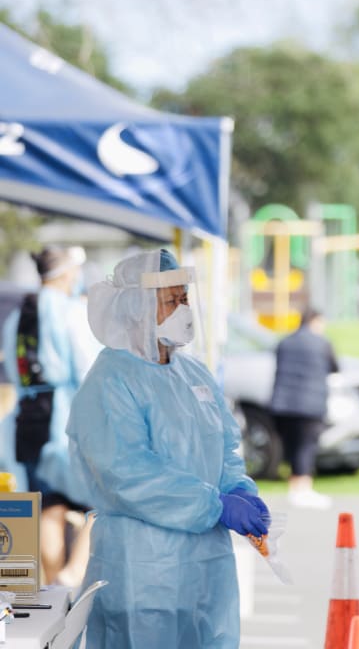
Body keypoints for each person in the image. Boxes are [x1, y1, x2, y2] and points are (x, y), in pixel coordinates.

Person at [67, 248, 269, 649]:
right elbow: (126, 472)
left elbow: (225, 443)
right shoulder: (111, 380)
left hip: (205, 566)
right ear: (138, 308)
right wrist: (214, 505)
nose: (184, 310)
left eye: (185, 299)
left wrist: (238, 488)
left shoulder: (192, 372)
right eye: (171, 301)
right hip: (143, 569)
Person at [0, 245, 100, 586]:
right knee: (103, 498)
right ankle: (71, 575)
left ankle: (56, 586)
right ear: (68, 273)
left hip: (26, 420)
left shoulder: (18, 316)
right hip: (64, 420)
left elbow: (14, 372)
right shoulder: (71, 312)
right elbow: (88, 367)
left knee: (47, 506)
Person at [270, 307, 337, 509]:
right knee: (306, 446)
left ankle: (294, 486)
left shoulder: (285, 342)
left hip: (283, 403)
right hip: (310, 404)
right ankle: (303, 488)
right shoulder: (322, 343)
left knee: (292, 445)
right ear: (315, 321)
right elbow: (335, 367)